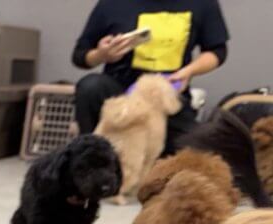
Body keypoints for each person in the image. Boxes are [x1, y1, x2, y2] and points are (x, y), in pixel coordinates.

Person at [72, 0, 229, 154]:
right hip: (120, 95)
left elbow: (217, 51)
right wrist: (101, 55)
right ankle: (91, 156)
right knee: (90, 86)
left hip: (169, 100)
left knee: (200, 153)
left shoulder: (203, 4)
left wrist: (189, 71)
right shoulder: (111, 4)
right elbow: (80, 55)